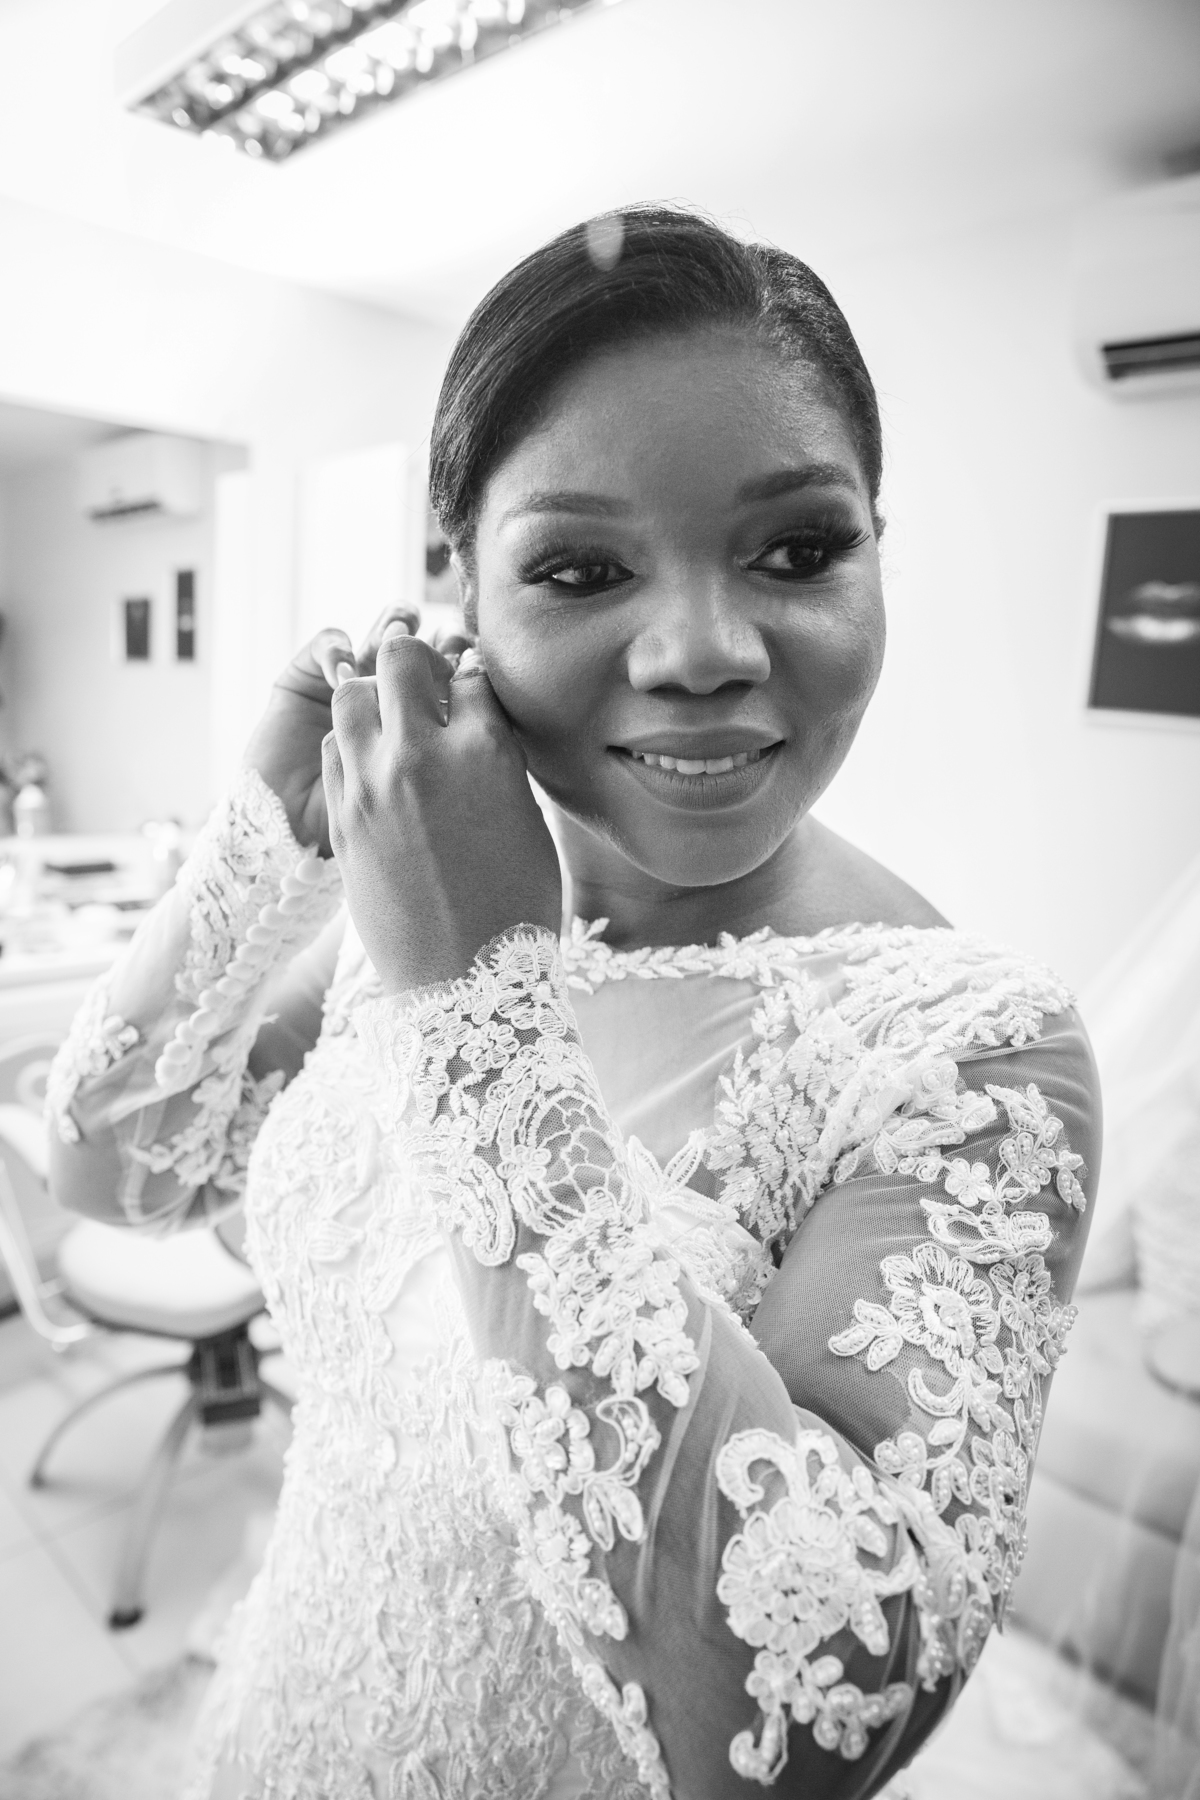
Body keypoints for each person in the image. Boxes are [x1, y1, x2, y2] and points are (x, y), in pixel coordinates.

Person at [46, 207, 1098, 1800]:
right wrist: (261, 844)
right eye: (583, 568)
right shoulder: (402, 907)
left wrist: (480, 1005)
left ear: (878, 544)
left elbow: (797, 1728)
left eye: (799, 550)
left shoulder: (969, 1053)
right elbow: (117, 1170)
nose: (703, 650)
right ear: (457, 593)